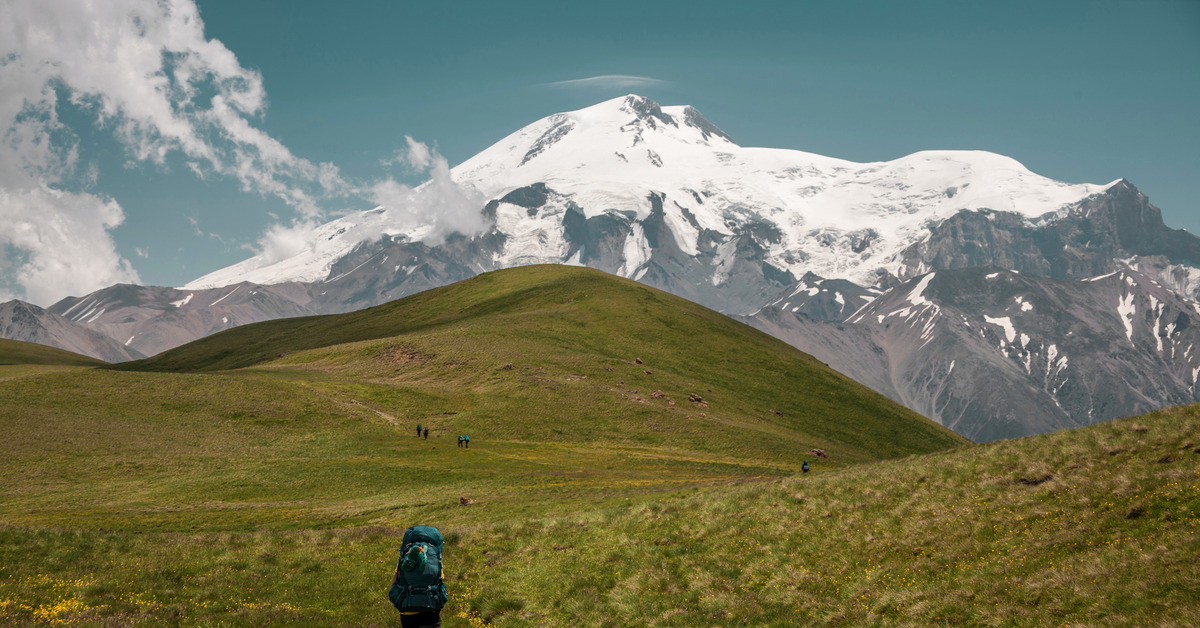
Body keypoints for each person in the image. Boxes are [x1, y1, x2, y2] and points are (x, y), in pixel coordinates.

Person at [389, 524, 447, 628]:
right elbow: (440, 581)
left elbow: (395, 581)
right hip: (431, 608)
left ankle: (418, 554)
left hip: (407, 609)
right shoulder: (434, 557)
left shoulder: (404, 557)